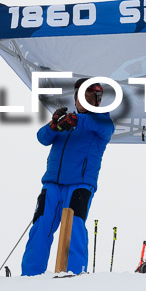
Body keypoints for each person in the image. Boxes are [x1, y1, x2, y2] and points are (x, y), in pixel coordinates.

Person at [21, 78, 114, 276]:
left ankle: (75, 273)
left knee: (74, 228)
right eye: (80, 96)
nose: (82, 101)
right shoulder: (67, 121)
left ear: (97, 100)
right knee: (40, 228)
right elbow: (42, 138)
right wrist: (53, 125)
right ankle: (30, 275)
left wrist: (76, 120)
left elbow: (105, 128)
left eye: (88, 96)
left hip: (79, 185)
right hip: (52, 184)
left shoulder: (101, 120)